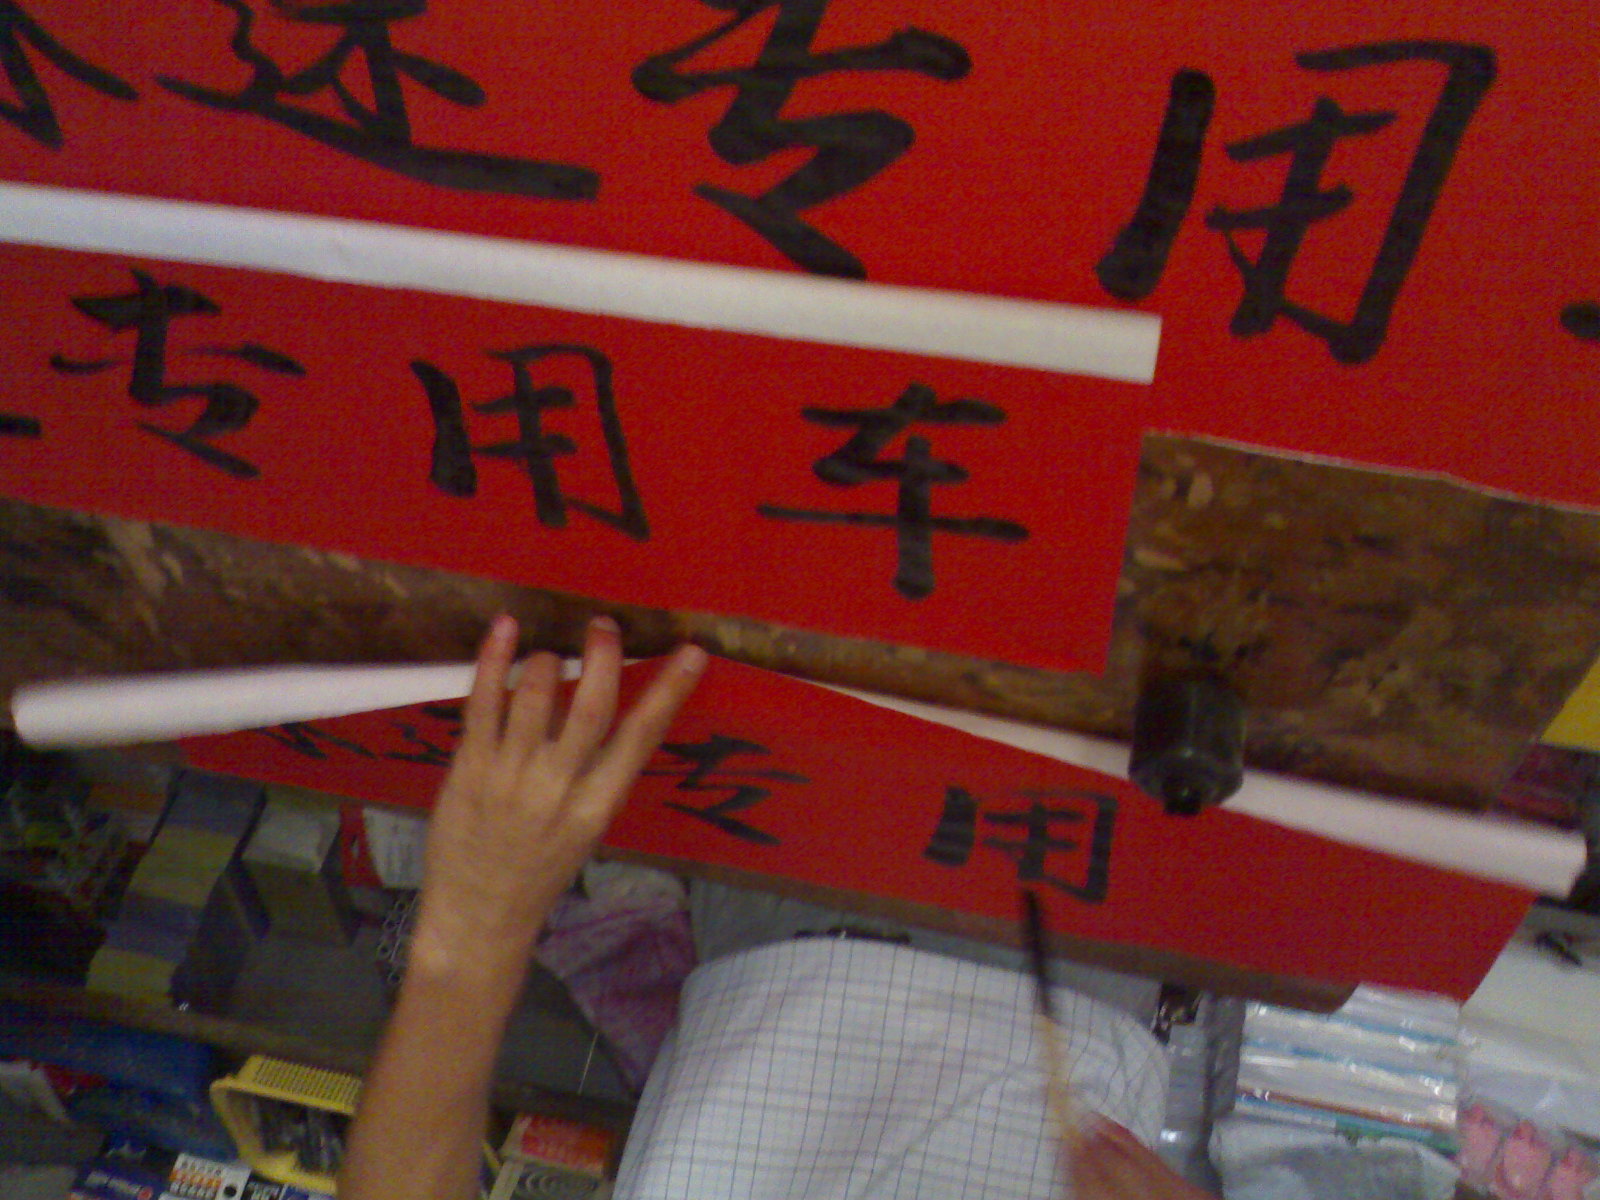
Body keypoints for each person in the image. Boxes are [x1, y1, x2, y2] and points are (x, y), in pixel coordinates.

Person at [337, 615, 1216, 1200]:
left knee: (843, 568)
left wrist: (474, 934)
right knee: (1129, 588)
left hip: (776, 946)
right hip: (1069, 983)